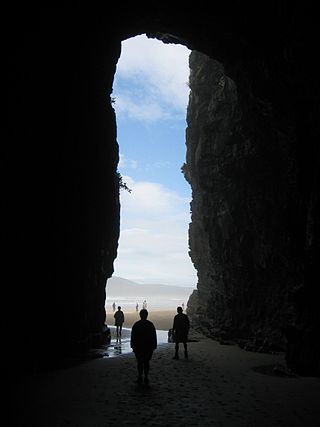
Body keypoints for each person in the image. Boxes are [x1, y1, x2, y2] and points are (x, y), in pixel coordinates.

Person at [130, 309, 157, 385]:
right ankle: (146, 377)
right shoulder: (150, 324)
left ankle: (140, 377)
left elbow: (133, 336)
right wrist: (154, 346)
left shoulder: (136, 324)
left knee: (139, 363)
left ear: (140, 315)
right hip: (148, 347)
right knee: (146, 362)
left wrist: (133, 346)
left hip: (138, 347)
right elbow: (153, 336)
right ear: (147, 315)